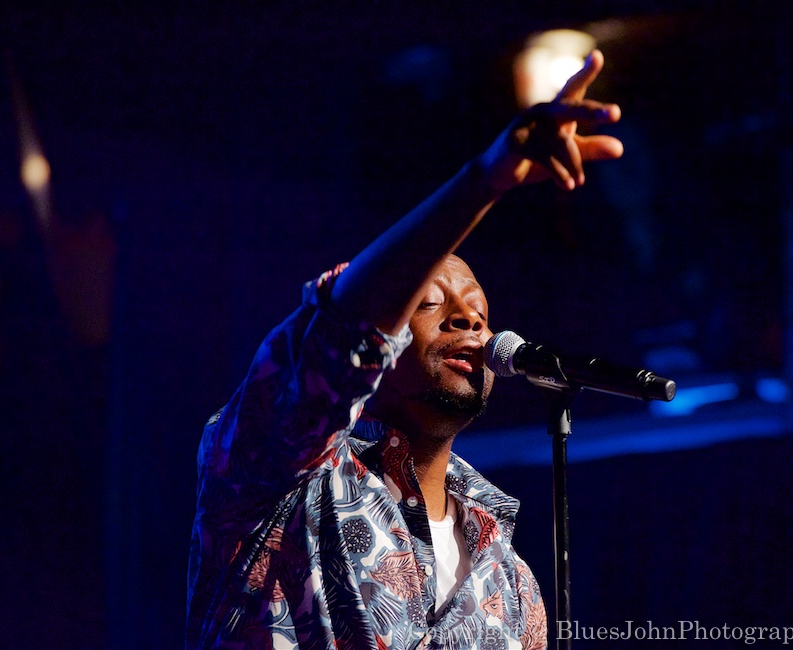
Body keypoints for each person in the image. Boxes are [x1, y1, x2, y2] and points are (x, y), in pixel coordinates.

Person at [187, 50, 623, 650]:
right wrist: (484, 180)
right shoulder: (281, 475)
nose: (469, 317)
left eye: (479, 311)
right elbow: (338, 330)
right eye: (428, 302)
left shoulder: (513, 583)